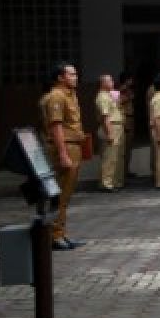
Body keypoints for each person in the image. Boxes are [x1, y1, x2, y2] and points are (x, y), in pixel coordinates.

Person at [41, 62, 85, 251]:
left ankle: (61, 232)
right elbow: (56, 127)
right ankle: (54, 234)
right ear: (60, 77)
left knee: (65, 195)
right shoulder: (56, 96)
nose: (75, 77)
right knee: (59, 194)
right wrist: (63, 154)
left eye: (75, 74)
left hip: (73, 146)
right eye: (71, 74)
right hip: (64, 147)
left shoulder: (70, 95)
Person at [95, 74, 124, 192]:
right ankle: (106, 183)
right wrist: (110, 133)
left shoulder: (109, 95)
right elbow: (105, 117)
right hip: (110, 127)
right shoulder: (103, 97)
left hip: (115, 126)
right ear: (103, 83)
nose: (112, 82)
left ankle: (111, 181)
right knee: (109, 157)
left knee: (114, 157)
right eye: (110, 80)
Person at [118, 72, 136, 182]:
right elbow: (119, 101)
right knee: (124, 147)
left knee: (129, 147)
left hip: (130, 118)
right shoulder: (121, 90)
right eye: (130, 79)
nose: (132, 81)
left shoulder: (128, 89)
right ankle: (122, 172)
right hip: (125, 118)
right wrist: (127, 94)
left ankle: (126, 170)